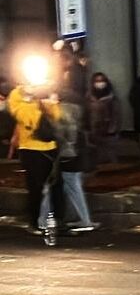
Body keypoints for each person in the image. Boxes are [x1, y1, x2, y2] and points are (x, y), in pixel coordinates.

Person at [7, 81, 62, 234]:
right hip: (30, 148)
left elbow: (56, 117)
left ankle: (56, 219)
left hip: (50, 146)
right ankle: (35, 221)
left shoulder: (43, 94)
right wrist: (31, 100)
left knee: (56, 185)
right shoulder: (17, 95)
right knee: (36, 187)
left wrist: (51, 102)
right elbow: (26, 117)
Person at [42, 88, 98, 233]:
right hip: (76, 155)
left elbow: (60, 136)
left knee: (52, 186)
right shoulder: (75, 113)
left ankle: (44, 219)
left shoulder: (62, 114)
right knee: (72, 187)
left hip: (65, 156)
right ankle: (81, 219)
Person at [86, 72, 121, 165]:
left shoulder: (112, 98)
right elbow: (87, 114)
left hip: (108, 133)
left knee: (109, 156)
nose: (100, 83)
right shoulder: (88, 98)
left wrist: (112, 129)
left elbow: (116, 115)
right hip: (94, 132)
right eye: (97, 81)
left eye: (102, 81)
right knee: (96, 157)